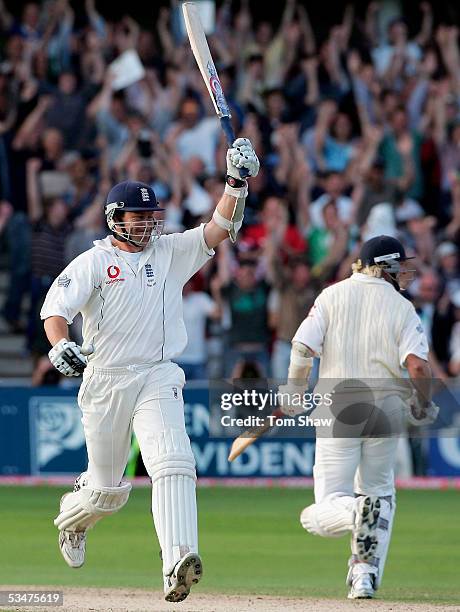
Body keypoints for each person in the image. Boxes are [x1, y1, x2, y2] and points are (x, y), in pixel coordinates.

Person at [40, 138, 259, 603]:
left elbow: (220, 227)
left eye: (150, 216)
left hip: (157, 375)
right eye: (137, 217)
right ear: (115, 219)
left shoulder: (169, 251)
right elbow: (55, 310)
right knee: (107, 492)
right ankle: (72, 518)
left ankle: (177, 560)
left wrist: (236, 182)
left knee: (174, 462)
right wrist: (61, 347)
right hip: (105, 381)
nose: (145, 224)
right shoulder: (95, 261)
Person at [278, 235, 438, 599]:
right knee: (380, 496)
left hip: (337, 407)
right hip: (386, 411)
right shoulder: (402, 308)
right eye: (398, 265)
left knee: (320, 512)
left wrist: (294, 389)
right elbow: (418, 367)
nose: (404, 272)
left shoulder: (331, 296)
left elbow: (303, 346)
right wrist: (423, 403)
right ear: (383, 267)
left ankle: (356, 515)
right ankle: (363, 575)